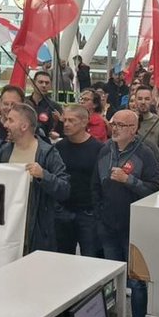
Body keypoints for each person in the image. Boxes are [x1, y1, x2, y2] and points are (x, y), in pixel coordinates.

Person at [94, 109, 159, 317]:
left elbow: (155, 189)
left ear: (133, 129)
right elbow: (95, 187)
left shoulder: (146, 153)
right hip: (108, 226)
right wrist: (99, 214)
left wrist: (129, 181)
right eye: (113, 124)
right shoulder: (105, 150)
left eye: (121, 125)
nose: (115, 128)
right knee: (111, 279)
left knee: (136, 282)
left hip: (134, 227)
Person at [0, 103, 70, 253]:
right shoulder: (2, 151)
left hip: (36, 231)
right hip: (7, 229)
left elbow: (64, 189)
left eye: (10, 120)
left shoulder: (47, 153)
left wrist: (43, 176)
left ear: (24, 126)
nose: (5, 124)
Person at [53, 105, 104, 257]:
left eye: (71, 120)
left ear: (83, 122)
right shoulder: (59, 147)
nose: (66, 124)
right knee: (62, 257)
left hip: (88, 213)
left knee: (90, 257)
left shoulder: (98, 148)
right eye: (64, 120)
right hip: (63, 211)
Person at [132, 85, 159, 176]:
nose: (143, 102)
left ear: (152, 101)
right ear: (135, 101)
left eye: (147, 99)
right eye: (140, 99)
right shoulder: (127, 121)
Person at [28, 70, 64, 138]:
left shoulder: (55, 107)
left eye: (47, 83)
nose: (44, 85)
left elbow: (61, 131)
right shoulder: (24, 103)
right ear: (33, 83)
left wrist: (59, 123)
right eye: (40, 82)